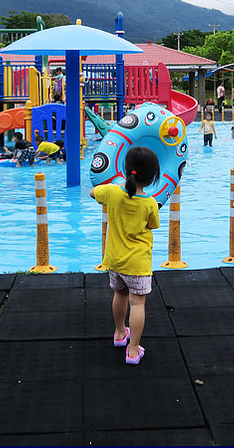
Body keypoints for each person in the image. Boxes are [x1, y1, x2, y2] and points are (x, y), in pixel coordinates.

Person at [90, 146, 161, 365]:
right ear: (151, 179)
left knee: (119, 295)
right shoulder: (149, 203)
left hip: (115, 260)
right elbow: (153, 225)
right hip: (137, 263)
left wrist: (110, 187)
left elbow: (92, 193)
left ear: (126, 170)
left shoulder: (112, 192)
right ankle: (132, 351)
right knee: (137, 304)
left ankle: (120, 333)